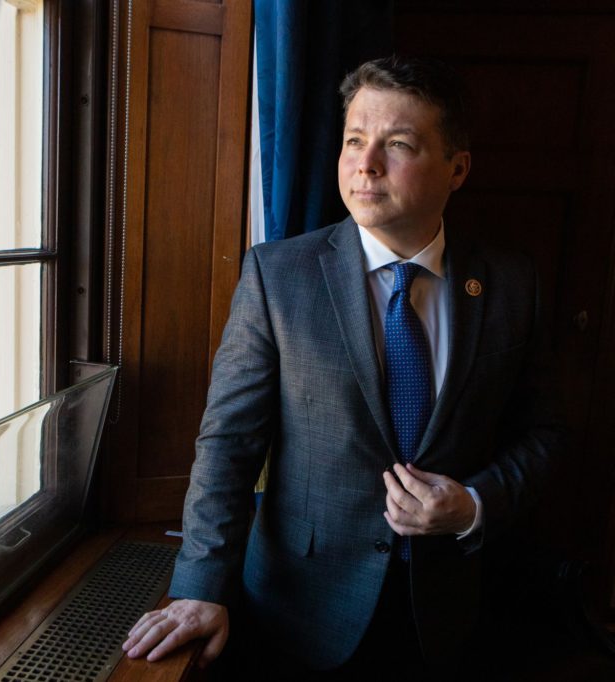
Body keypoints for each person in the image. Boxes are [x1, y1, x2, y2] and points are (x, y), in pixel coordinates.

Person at [122, 55, 565, 678]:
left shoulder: (514, 285)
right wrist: (201, 585)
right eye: (355, 140)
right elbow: (229, 442)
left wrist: (474, 504)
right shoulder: (278, 275)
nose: (366, 163)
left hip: (451, 614)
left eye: (399, 144)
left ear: (457, 168)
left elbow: (546, 434)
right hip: (298, 614)